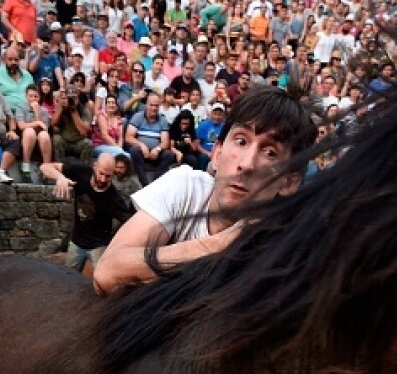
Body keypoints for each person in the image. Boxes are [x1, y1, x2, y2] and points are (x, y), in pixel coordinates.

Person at [93, 85, 315, 293]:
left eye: (270, 153)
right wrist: (223, 244)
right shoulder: (186, 186)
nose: (246, 164)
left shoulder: (285, 251)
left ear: (289, 182)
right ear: (217, 154)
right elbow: (107, 273)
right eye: (241, 141)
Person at [39, 152, 135, 277]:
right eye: (101, 173)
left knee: (103, 278)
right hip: (77, 241)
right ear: (95, 166)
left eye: (108, 176)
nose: (103, 179)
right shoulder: (81, 172)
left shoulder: (113, 198)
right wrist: (60, 177)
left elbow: (131, 222)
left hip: (98, 245)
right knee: (67, 277)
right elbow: (44, 167)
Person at [124, 90, 174, 185]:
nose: (154, 108)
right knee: (134, 150)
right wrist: (141, 145)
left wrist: (158, 149)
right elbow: (128, 137)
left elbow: (165, 142)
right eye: (152, 105)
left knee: (169, 155)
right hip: (141, 150)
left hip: (155, 152)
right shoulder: (138, 117)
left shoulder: (162, 120)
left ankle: (155, 182)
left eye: (156, 106)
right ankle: (145, 183)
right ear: (146, 105)